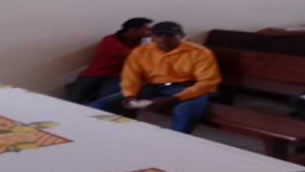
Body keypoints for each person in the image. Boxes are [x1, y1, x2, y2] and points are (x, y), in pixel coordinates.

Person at [89, 21, 221, 133]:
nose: (163, 39)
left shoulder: (200, 53)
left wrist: (174, 99)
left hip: (189, 89)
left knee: (184, 112)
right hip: (155, 87)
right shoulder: (141, 51)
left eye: (170, 35)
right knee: (101, 104)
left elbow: (208, 82)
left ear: (181, 36)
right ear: (151, 37)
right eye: (158, 35)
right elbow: (131, 75)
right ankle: (96, 132)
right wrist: (130, 95)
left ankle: (175, 144)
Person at [67, 18, 153, 104]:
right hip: (95, 73)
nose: (149, 32)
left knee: (104, 100)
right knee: (73, 99)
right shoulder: (109, 40)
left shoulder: (143, 42)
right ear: (132, 30)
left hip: (117, 76)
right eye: (146, 29)